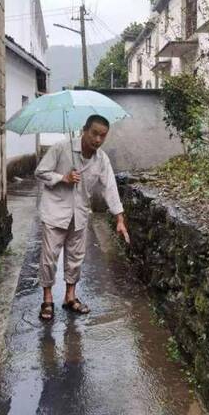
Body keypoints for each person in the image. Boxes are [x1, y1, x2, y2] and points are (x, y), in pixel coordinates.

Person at [34, 114, 130, 320]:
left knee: (75, 258)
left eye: (102, 136)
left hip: (79, 214)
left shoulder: (102, 159)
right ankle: (47, 299)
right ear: (84, 130)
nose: (97, 139)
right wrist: (62, 178)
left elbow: (110, 188)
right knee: (49, 258)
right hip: (55, 211)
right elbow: (40, 172)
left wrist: (120, 218)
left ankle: (70, 296)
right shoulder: (61, 148)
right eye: (94, 133)